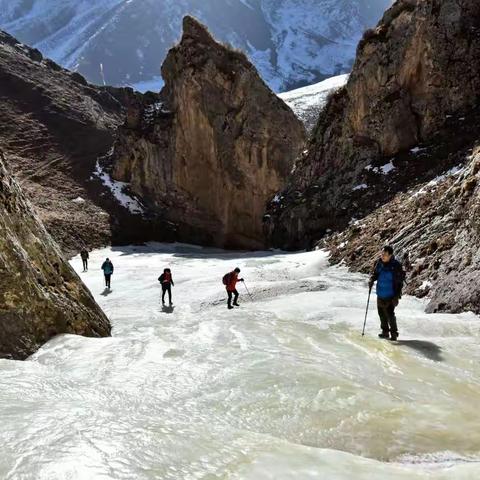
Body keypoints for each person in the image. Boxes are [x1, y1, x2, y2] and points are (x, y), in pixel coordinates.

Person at [369, 246, 405, 341]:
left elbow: (400, 283)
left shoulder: (396, 266)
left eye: (385, 255)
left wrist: (396, 296)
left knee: (390, 314)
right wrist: (372, 280)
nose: (382, 256)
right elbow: (375, 274)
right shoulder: (379, 263)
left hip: (391, 295)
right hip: (380, 293)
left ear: (390, 255)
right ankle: (385, 332)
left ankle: (394, 333)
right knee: (381, 314)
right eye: (382, 254)